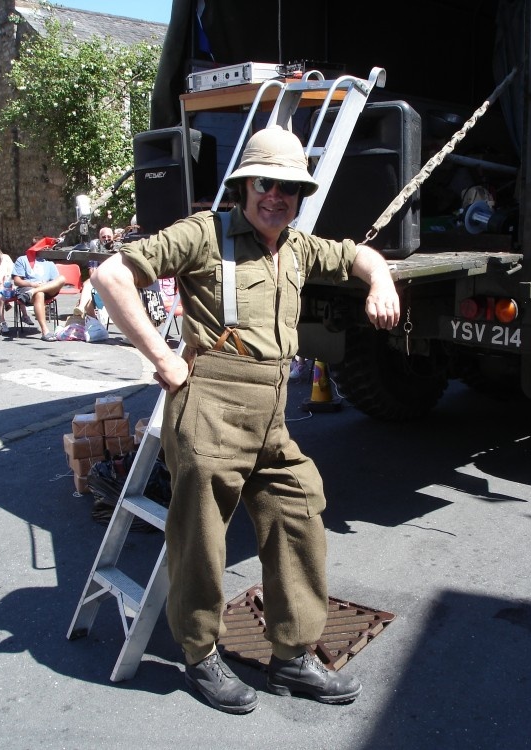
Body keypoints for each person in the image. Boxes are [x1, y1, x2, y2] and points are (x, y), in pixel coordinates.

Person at [92, 126, 400, 714]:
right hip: (210, 410)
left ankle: (293, 655)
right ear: (244, 185)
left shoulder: (297, 246)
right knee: (201, 539)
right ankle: (200, 652)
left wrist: (380, 280)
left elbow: (357, 254)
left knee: (298, 510)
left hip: (270, 416)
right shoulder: (205, 233)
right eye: (266, 183)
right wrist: (161, 358)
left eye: (289, 188)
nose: (276, 196)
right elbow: (111, 277)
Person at [13, 239, 66, 341]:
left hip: (44, 289)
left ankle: (34, 291)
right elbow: (17, 281)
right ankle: (45, 331)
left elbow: (55, 281)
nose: (47, 250)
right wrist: (32, 284)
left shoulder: (49, 263)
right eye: (44, 248)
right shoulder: (23, 260)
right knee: (40, 294)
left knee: (62, 278)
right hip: (27, 289)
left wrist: (42, 286)